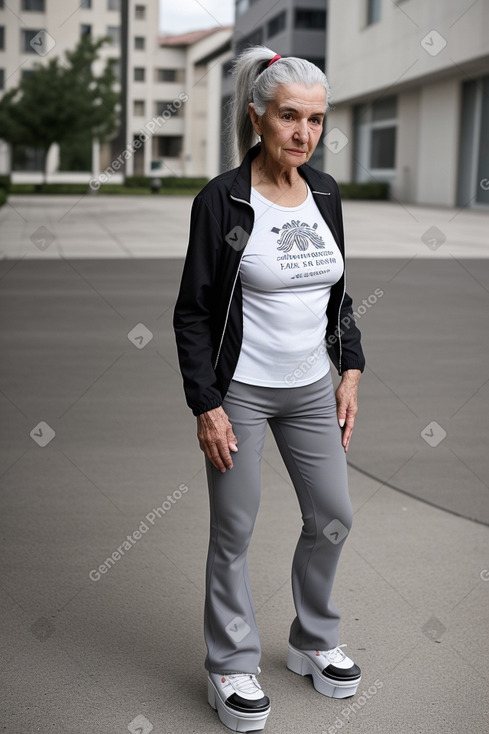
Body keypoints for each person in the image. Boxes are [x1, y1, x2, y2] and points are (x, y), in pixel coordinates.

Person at [173, 45, 365, 732]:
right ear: (257, 116)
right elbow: (193, 311)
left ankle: (312, 640)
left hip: (311, 385)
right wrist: (207, 404)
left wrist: (349, 368)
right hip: (242, 392)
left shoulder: (326, 193)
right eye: (289, 117)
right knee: (235, 527)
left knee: (334, 515)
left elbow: (336, 296)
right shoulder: (221, 199)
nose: (302, 134)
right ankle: (230, 661)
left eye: (314, 120)